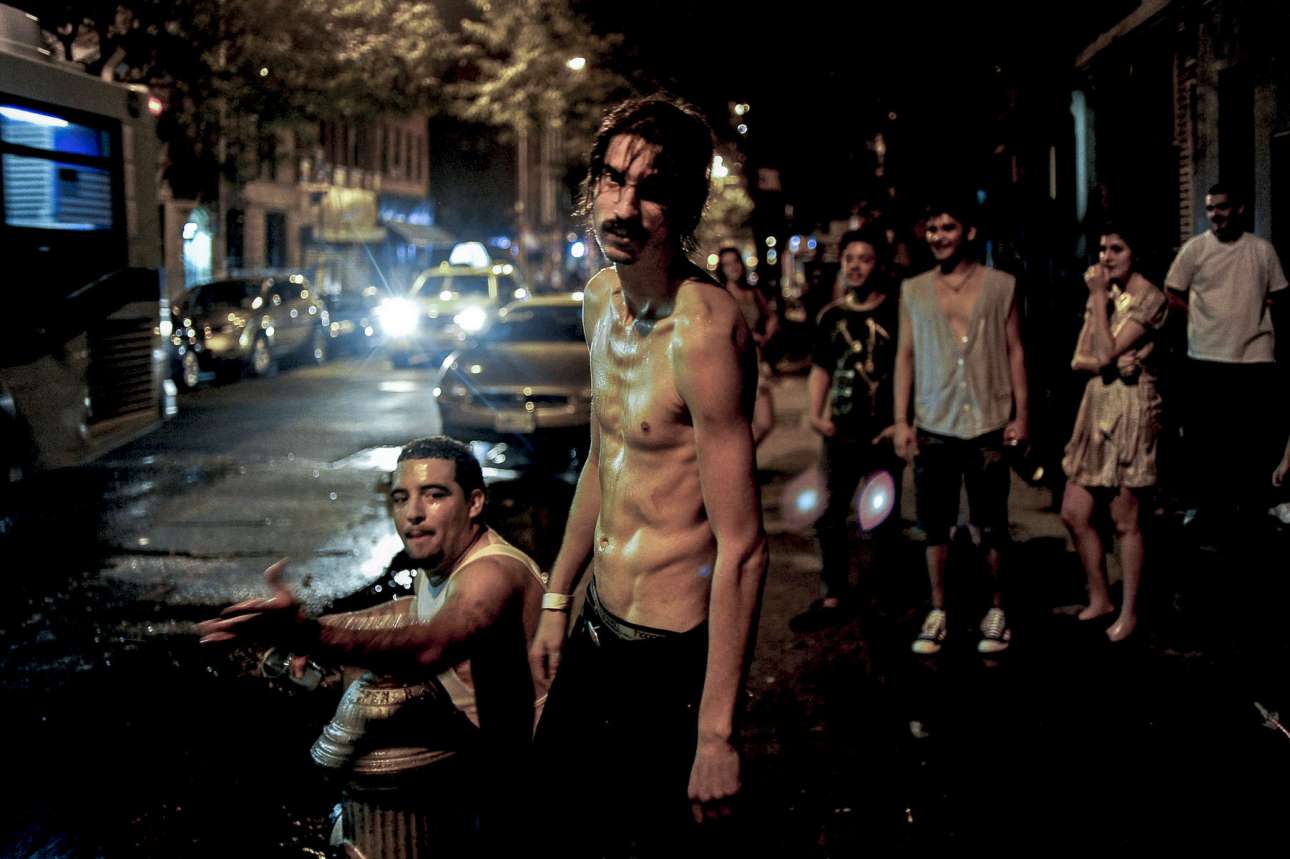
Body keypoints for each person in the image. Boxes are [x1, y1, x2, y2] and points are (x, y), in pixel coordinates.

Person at [528, 95, 768, 855]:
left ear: (685, 204)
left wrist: (717, 733)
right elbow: (604, 461)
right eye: (612, 178)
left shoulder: (704, 330)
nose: (624, 206)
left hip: (671, 656)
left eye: (652, 189)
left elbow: (744, 547)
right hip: (598, 624)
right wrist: (558, 597)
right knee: (548, 826)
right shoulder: (600, 298)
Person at [196, 436, 547, 842]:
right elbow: (410, 613)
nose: (413, 513)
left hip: (523, 790)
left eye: (434, 495)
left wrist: (311, 634)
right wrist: (313, 630)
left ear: (474, 503)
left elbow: (431, 644)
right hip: (475, 765)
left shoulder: (491, 575)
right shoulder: (447, 560)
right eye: (401, 498)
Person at [893, 198, 1030, 655]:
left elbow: (1015, 350)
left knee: (992, 524)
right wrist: (901, 420)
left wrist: (1022, 415)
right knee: (935, 525)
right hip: (934, 419)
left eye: (948, 228)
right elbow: (905, 356)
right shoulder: (914, 290)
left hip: (988, 418)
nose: (938, 237)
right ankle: (939, 610)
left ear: (969, 232)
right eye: (932, 229)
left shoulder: (1001, 285)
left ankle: (997, 610)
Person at [1059, 227, 1168, 642]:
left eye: (1117, 249)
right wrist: (1106, 360)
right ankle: (1100, 597)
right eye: (1102, 249)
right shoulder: (1104, 295)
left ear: (1135, 253)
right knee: (1074, 510)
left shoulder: (1149, 298)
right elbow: (1079, 359)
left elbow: (1102, 350)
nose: (1106, 257)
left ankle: (1130, 611)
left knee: (1125, 518)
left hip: (1130, 409)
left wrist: (1100, 311)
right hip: (1096, 405)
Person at [790, 228, 903, 632]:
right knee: (829, 515)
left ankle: (886, 595)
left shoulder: (897, 313)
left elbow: (908, 369)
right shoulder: (831, 316)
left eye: (865, 259)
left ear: (879, 265)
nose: (856, 266)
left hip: (881, 433)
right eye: (850, 258)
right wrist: (815, 414)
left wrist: (902, 422)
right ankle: (833, 593)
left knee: (882, 518)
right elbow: (821, 368)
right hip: (839, 431)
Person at [1164, 183, 1288, 537]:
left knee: (1252, 440)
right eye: (1210, 209)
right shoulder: (1195, 249)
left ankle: (1254, 508)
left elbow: (1278, 295)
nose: (1215, 215)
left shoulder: (1261, 250)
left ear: (1239, 210)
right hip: (1206, 356)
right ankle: (1207, 509)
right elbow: (1172, 291)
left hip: (1254, 359)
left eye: (1222, 207)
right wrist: (1202, 317)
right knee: (1207, 441)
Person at [719, 246, 779, 445]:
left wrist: (766, 336)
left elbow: (772, 317)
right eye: (727, 264)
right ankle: (736, 461)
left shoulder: (753, 292)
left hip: (757, 360)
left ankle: (738, 459)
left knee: (765, 421)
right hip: (733, 363)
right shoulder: (721, 295)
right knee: (738, 423)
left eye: (735, 262)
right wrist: (744, 336)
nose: (733, 267)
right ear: (722, 269)